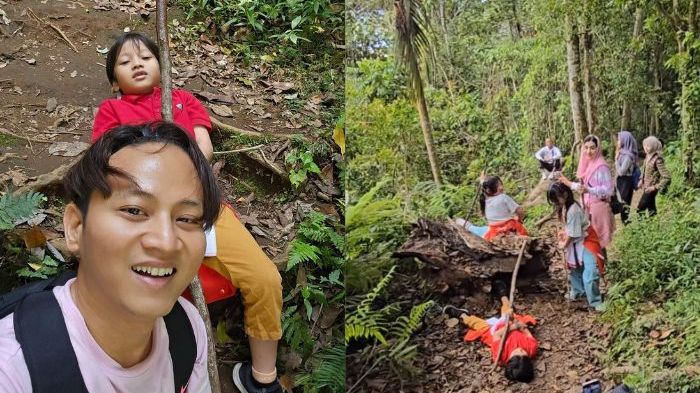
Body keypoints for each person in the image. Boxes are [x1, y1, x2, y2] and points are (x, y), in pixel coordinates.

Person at [93, 32, 283, 393]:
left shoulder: (181, 100)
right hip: (142, 214)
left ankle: (262, 378)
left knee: (264, 278)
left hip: (200, 204)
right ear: (113, 80)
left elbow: (204, 148)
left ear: (161, 65)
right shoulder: (111, 112)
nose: (137, 64)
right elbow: (105, 161)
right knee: (150, 297)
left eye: (146, 57)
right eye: (125, 61)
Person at [0, 123, 219, 392]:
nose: (166, 242)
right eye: (134, 210)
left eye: (186, 218)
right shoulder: (13, 370)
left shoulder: (187, 330)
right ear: (76, 228)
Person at [547, 182, 606, 312]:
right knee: (575, 269)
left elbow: (574, 234)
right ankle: (579, 292)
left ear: (565, 195)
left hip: (586, 240)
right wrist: (564, 234)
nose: (556, 202)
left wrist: (564, 245)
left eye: (557, 199)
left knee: (590, 272)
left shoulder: (573, 209)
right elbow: (570, 229)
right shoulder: (564, 208)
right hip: (575, 242)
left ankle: (595, 301)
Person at [459, 297, 537, 382]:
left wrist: (511, 327)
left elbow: (497, 335)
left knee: (479, 325)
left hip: (496, 330)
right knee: (508, 310)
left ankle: (462, 315)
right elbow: (527, 332)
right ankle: (503, 295)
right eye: (524, 355)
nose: (520, 350)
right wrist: (518, 325)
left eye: (516, 354)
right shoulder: (532, 349)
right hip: (511, 323)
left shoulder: (501, 357)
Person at [560, 134, 615, 251]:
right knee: (592, 240)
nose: (588, 151)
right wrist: (567, 182)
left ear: (598, 148)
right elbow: (582, 187)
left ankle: (600, 265)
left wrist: (589, 190)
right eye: (586, 147)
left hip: (599, 207)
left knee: (598, 240)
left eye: (592, 148)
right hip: (588, 208)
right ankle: (599, 265)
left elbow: (609, 190)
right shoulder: (588, 164)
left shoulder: (601, 166)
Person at [456, 175, 528, 241]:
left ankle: (466, 225)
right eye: (498, 185)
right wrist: (520, 220)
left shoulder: (485, 201)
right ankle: (467, 225)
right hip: (511, 229)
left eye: (500, 184)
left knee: (483, 230)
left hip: (494, 232)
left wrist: (482, 181)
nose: (501, 187)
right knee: (484, 229)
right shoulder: (504, 197)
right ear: (489, 190)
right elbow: (520, 211)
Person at [637, 136, 671, 217]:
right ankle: (653, 225)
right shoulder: (647, 156)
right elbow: (645, 169)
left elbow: (667, 177)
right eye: (644, 145)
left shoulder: (658, 160)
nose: (645, 148)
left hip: (651, 189)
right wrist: (641, 179)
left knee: (640, 209)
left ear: (653, 147)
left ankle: (642, 228)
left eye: (647, 146)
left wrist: (655, 187)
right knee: (651, 208)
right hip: (646, 186)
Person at [614, 131, 638, 224]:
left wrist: (616, 160)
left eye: (619, 139)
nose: (618, 141)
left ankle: (627, 226)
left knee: (624, 204)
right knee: (621, 202)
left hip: (626, 181)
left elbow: (621, 172)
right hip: (621, 181)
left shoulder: (628, 156)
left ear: (625, 140)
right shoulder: (622, 153)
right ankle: (626, 224)